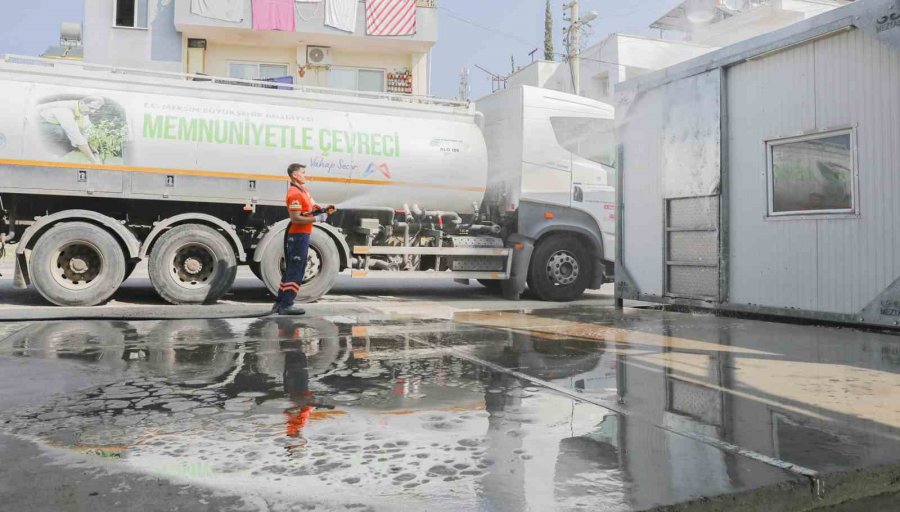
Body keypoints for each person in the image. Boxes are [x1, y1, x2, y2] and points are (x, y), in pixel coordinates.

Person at [271, 163, 335, 316]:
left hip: (302, 235)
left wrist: (324, 210)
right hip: (298, 235)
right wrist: (318, 218)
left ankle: (280, 303)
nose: (306, 175)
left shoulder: (304, 191)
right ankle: (286, 305)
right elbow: (296, 218)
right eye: (303, 172)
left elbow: (311, 207)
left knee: (293, 270)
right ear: (294, 174)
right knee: (296, 271)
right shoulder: (294, 193)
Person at [37, 96, 105, 164]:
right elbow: (76, 137)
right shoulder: (64, 110)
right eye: (91, 108)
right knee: (61, 133)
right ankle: (44, 154)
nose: (92, 112)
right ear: (82, 103)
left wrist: (95, 153)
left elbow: (87, 133)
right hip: (37, 122)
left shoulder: (83, 111)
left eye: (95, 109)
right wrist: (94, 162)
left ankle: (54, 157)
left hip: (52, 126)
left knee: (75, 140)